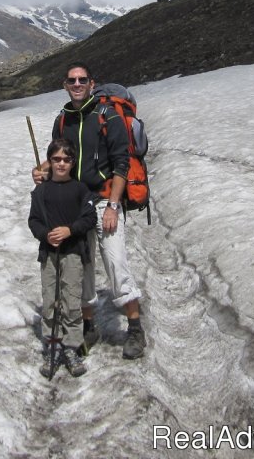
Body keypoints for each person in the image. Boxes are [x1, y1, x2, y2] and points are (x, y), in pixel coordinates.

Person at [32, 62, 147, 359]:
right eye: (72, 80)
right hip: (75, 204)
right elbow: (62, 154)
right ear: (65, 85)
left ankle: (134, 329)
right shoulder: (63, 119)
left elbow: (121, 162)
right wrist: (43, 169)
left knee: (115, 263)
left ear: (92, 83)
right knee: (81, 268)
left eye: (83, 79)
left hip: (105, 200)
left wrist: (112, 206)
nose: (78, 84)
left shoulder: (107, 116)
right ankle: (88, 326)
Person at [28, 138, 96, 378]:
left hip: (74, 253)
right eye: (56, 159)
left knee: (71, 299)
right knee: (50, 299)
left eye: (66, 160)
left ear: (72, 162)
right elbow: (33, 220)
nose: (61, 164)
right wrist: (45, 235)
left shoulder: (80, 189)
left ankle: (71, 346)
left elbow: (90, 218)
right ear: (50, 161)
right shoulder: (41, 191)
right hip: (49, 254)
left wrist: (70, 230)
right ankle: (52, 345)